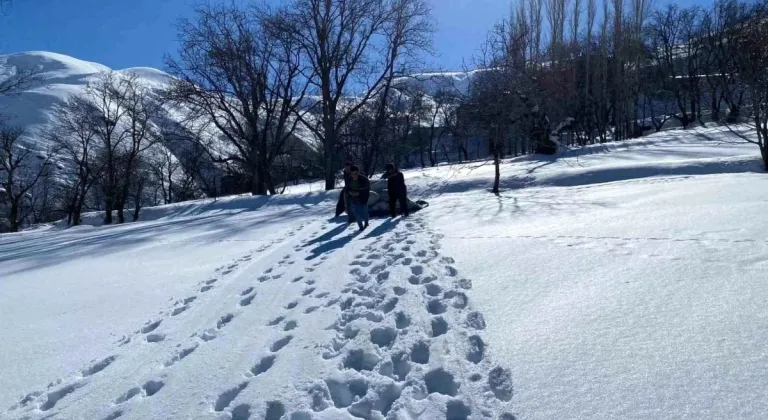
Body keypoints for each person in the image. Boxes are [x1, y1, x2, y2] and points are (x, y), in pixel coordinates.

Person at [347, 165, 370, 231]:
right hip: (354, 198)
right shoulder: (349, 179)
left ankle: (366, 222)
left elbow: (367, 189)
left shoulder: (364, 179)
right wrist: (350, 192)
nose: (354, 175)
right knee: (356, 212)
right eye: (352, 173)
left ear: (358, 172)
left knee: (364, 211)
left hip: (363, 198)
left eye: (355, 173)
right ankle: (360, 226)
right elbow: (347, 188)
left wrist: (359, 193)